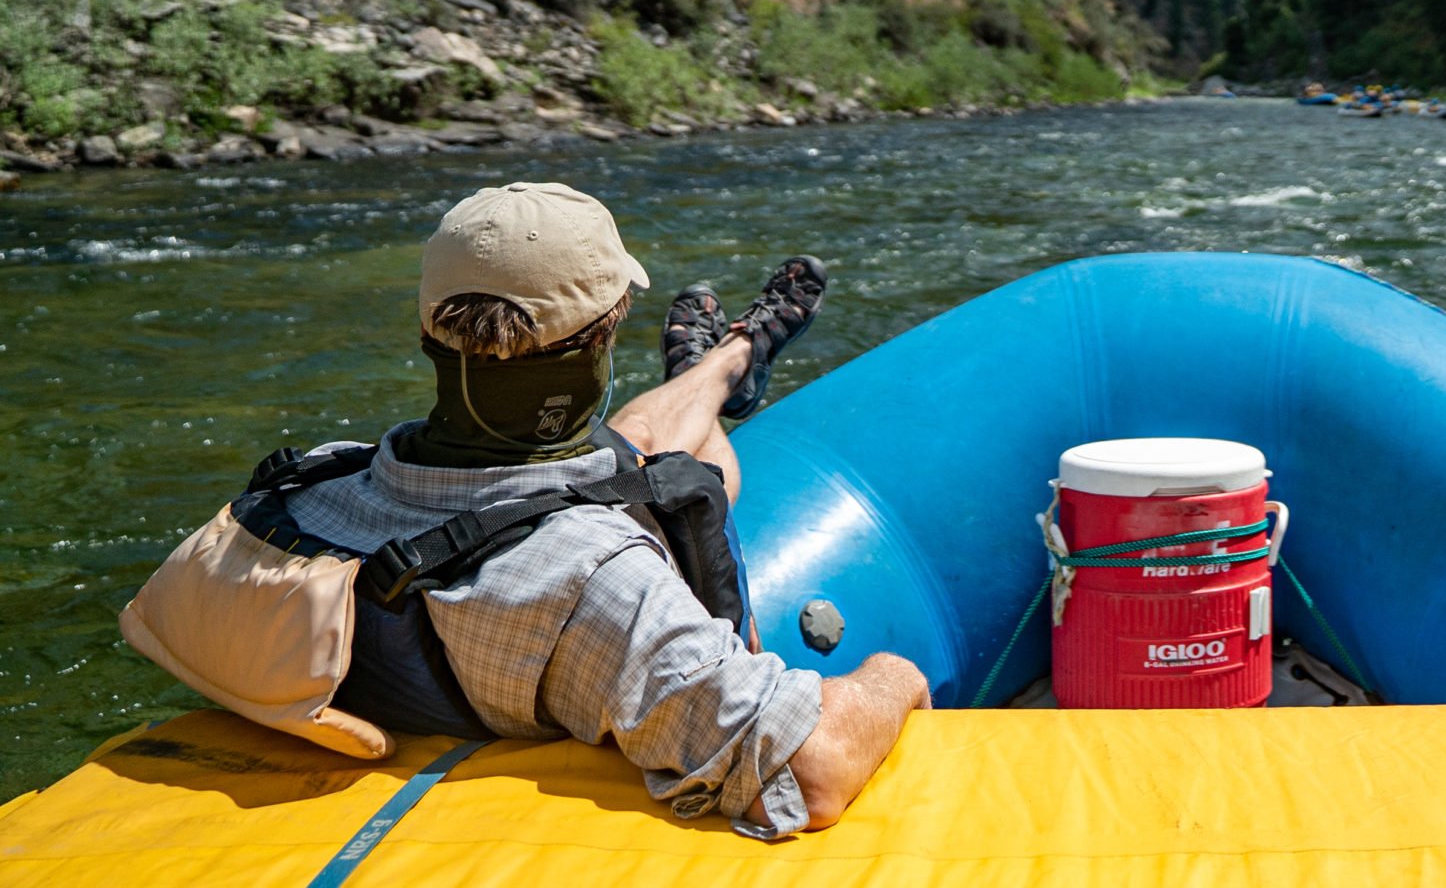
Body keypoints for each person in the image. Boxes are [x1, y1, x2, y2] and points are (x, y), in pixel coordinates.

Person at [123, 182, 928, 836]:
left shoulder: (322, 484)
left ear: (433, 327)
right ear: (600, 340)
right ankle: (728, 363)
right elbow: (810, 769)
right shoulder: (601, 582)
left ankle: (725, 364)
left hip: (480, 509)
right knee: (690, 476)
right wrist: (893, 677)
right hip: (558, 606)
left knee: (635, 448)